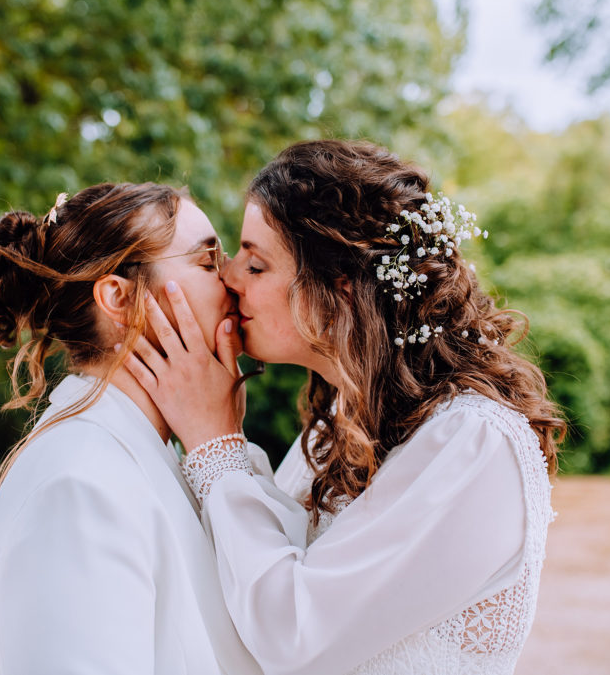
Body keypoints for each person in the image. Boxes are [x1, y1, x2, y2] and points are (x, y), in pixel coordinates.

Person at [123, 140, 566, 675]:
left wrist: (214, 441)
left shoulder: (474, 443)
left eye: (256, 264)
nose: (230, 277)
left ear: (342, 293)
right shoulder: (337, 426)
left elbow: (293, 636)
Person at [0, 183, 262, 675]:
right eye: (208, 261)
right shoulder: (77, 489)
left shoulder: (161, 453)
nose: (231, 277)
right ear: (120, 299)